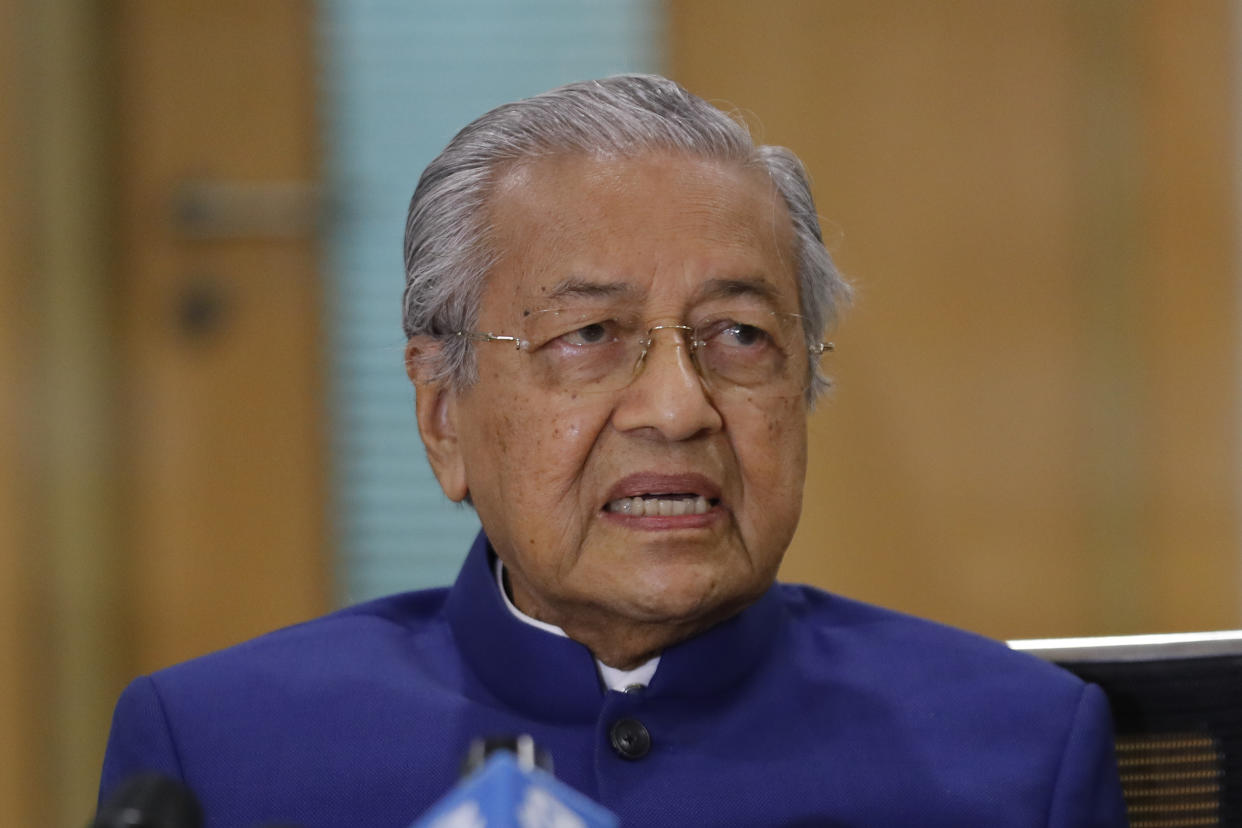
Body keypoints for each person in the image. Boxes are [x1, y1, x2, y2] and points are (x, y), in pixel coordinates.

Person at [99, 74, 1128, 826]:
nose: (679, 409)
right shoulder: (221, 759)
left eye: (739, 336)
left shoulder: (1012, 753)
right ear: (441, 415)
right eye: (589, 337)